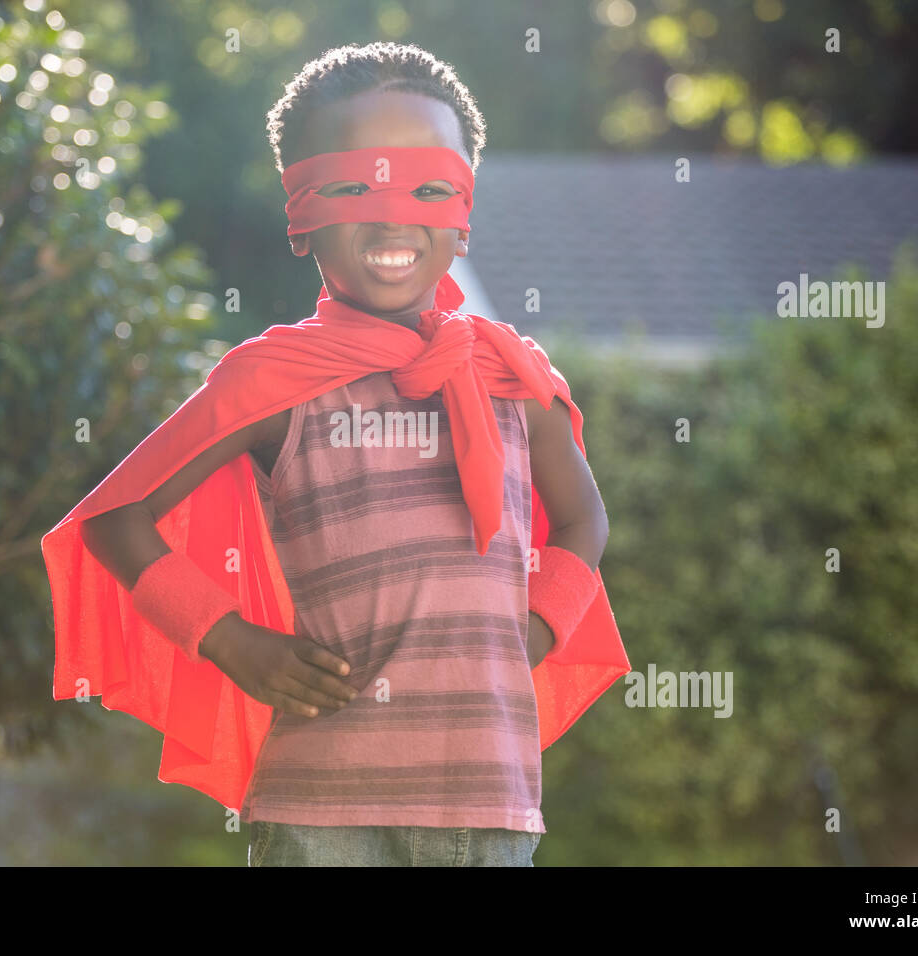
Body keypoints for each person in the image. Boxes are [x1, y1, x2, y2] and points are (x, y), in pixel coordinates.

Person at [42, 41, 629, 867]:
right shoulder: (270, 381)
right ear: (301, 214)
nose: (392, 220)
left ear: (463, 212)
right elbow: (114, 517)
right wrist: (232, 643)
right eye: (353, 188)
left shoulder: (512, 379)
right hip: (317, 816)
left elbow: (584, 518)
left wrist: (534, 629)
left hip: (488, 808)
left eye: (427, 188)